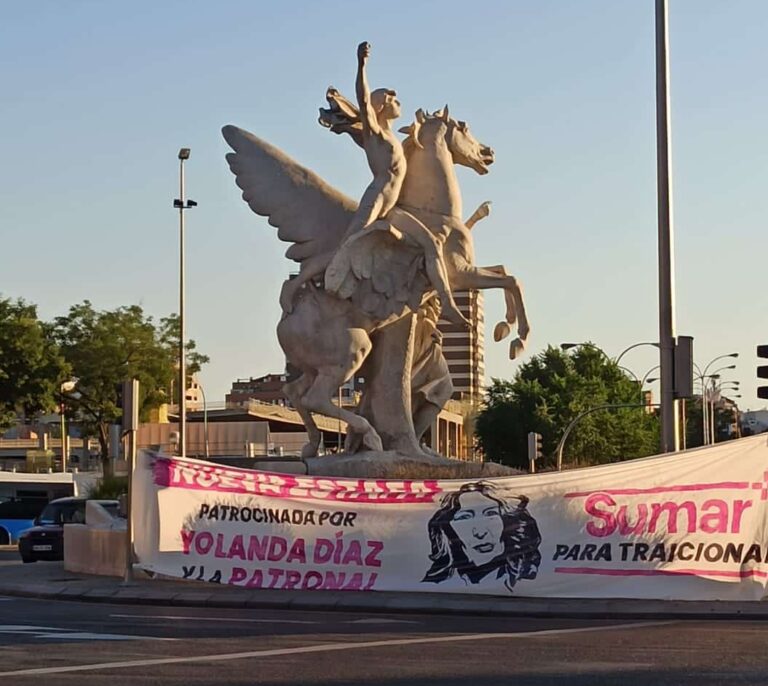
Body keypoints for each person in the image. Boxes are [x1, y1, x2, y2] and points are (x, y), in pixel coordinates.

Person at [282, 42, 468, 328]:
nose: (396, 99)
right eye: (390, 97)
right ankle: (294, 286)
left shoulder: (395, 138)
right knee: (346, 249)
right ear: (380, 106)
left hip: (394, 207)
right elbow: (363, 98)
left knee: (432, 245)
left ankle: (447, 304)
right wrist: (361, 65)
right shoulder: (375, 132)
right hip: (378, 201)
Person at [422, 481, 541, 592]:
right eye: (464, 518)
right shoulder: (437, 584)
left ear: (508, 522)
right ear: (448, 529)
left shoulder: (526, 577)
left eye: (491, 514)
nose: (480, 533)